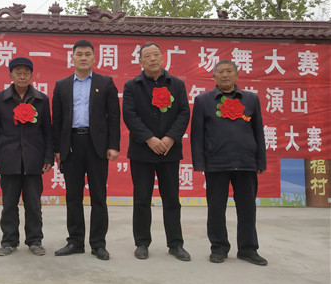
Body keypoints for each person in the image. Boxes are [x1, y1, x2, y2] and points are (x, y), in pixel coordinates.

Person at [191, 60, 268, 266]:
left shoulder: (251, 99)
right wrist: (199, 162)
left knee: (247, 208)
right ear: (214, 77)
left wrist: (260, 160)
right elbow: (197, 135)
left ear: (237, 75)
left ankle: (248, 249)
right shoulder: (203, 100)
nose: (225, 75)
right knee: (216, 208)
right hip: (216, 163)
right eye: (221, 72)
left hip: (246, 162)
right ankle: (218, 248)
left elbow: (258, 131)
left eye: (229, 71)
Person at [52, 39, 120, 260]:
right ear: (72, 58)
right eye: (79, 54)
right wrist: (57, 149)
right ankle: (75, 241)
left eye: (87, 54)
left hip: (96, 145)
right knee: (73, 196)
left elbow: (114, 117)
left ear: (94, 58)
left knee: (98, 196)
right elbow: (57, 120)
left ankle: (98, 244)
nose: (83, 58)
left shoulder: (106, 83)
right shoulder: (62, 85)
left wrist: (113, 145)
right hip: (71, 144)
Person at [122, 42, 191, 261]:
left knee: (171, 199)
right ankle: (142, 243)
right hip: (142, 151)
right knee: (142, 198)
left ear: (163, 58)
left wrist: (170, 138)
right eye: (147, 56)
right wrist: (149, 139)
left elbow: (183, 112)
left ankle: (175, 244)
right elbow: (130, 115)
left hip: (169, 151)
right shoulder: (132, 86)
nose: (152, 59)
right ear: (140, 61)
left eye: (156, 55)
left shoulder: (176, 84)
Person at [0, 57, 53, 257]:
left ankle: (35, 240)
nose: (22, 76)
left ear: (32, 75)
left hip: (34, 158)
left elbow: (47, 131)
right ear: (11, 75)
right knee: (9, 204)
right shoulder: (0, 99)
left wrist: (48, 157)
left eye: (26, 73)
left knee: (33, 203)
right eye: (18, 72)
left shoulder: (42, 100)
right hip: (9, 158)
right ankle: (9, 241)